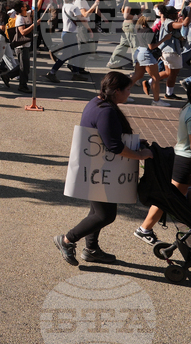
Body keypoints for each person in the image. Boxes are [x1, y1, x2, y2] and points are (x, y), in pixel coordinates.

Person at [55, 72, 154, 265]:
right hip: (101, 171)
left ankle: (91, 249)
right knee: (105, 215)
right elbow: (114, 146)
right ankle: (66, 240)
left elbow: (109, 136)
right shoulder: (106, 111)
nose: (129, 93)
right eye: (127, 89)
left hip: (97, 169)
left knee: (96, 213)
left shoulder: (97, 102)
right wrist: (141, 155)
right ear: (117, 91)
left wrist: (133, 142)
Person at [135, 79, 191, 244]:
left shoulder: (190, 108)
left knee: (172, 199)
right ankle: (144, 229)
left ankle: (146, 228)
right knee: (169, 200)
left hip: (183, 159)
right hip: (187, 162)